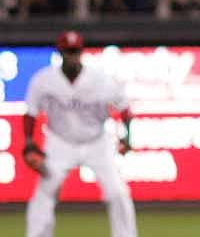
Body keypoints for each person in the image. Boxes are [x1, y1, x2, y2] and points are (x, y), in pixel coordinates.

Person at [22, 30, 137, 237]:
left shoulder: (100, 79)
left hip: (97, 143)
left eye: (74, 51)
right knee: (44, 194)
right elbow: (30, 112)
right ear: (60, 52)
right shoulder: (44, 80)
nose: (71, 55)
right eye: (67, 51)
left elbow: (125, 109)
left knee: (118, 192)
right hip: (60, 143)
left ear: (81, 52)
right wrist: (29, 144)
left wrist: (128, 137)